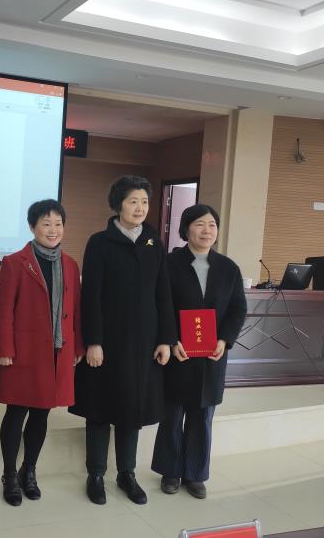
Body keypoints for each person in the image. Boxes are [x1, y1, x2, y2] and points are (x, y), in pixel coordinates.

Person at [69, 175, 175, 506]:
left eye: (144, 202)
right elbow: (91, 296)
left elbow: (163, 294)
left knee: (133, 409)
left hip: (144, 343)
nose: (140, 208)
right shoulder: (100, 242)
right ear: (118, 205)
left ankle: (127, 473)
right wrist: (93, 341)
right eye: (133, 201)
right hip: (107, 342)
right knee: (100, 409)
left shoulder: (154, 243)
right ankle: (96, 474)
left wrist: (166, 339)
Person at [152, 204, 247, 499]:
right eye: (199, 224)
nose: (207, 230)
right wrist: (171, 339)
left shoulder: (228, 268)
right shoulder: (169, 263)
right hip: (178, 352)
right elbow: (161, 304)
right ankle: (170, 471)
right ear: (186, 229)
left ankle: (195, 474)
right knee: (172, 414)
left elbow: (238, 308)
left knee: (202, 417)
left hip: (211, 356)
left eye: (212, 225)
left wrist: (225, 340)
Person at [0, 199, 84, 506]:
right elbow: (4, 310)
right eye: (46, 224)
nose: (53, 230)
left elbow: (76, 310)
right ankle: (9, 474)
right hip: (24, 352)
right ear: (32, 227)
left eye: (58, 224)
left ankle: (28, 471)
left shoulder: (70, 265)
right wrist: (4, 348)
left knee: (42, 413)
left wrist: (77, 346)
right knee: (16, 412)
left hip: (58, 352)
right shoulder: (15, 262)